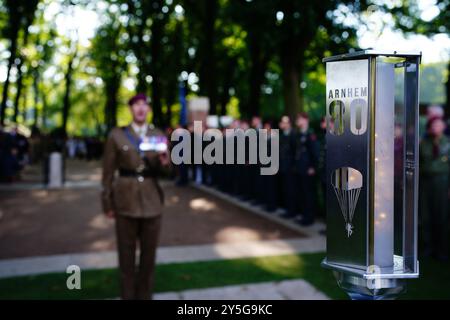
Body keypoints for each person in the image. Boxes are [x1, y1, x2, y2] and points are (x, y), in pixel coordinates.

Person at [101, 93, 170, 299]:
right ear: (131, 109)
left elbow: (167, 172)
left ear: (148, 109)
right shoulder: (117, 135)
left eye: (144, 105)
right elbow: (107, 173)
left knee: (148, 258)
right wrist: (107, 202)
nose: (140, 108)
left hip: (152, 201)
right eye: (136, 105)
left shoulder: (158, 134)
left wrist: (167, 163)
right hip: (125, 201)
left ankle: (145, 296)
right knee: (126, 256)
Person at [419, 116, 449, 261]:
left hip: (442, 182)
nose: (436, 127)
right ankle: (427, 247)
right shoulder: (423, 143)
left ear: (443, 126)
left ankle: (441, 249)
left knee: (442, 215)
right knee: (426, 215)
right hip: (426, 182)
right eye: (434, 125)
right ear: (430, 127)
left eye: (439, 124)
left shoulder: (448, 143)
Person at [291, 112, 319, 226]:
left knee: (308, 194)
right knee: (301, 193)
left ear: (306, 120)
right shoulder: (298, 134)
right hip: (299, 168)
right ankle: (303, 216)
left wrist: (312, 167)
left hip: (308, 169)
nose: (298, 121)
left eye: (300, 119)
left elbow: (315, 152)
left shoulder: (310, 134)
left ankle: (309, 218)